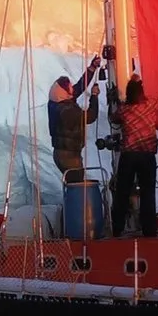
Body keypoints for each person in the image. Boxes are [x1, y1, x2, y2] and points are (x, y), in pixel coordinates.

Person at [110, 70, 158, 237]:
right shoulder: (151, 105)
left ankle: (117, 227)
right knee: (147, 192)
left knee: (122, 191)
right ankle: (149, 229)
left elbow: (113, 118)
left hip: (129, 155)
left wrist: (116, 102)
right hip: (147, 154)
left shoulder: (124, 111)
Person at [47, 71, 92, 242]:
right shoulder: (66, 110)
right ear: (64, 92)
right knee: (77, 191)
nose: (72, 89)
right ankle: (75, 232)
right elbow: (90, 116)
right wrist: (94, 98)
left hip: (62, 153)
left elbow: (78, 89)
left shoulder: (58, 102)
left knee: (72, 189)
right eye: (69, 87)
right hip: (69, 155)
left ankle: (70, 227)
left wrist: (92, 69)